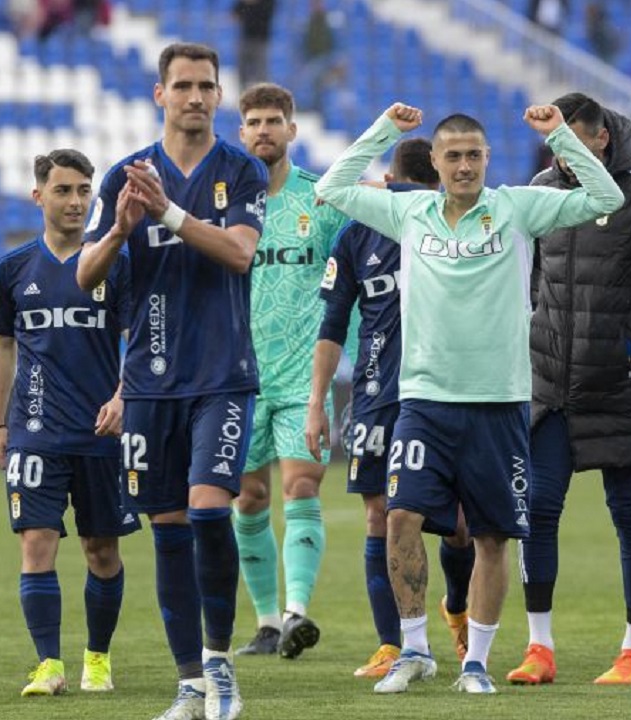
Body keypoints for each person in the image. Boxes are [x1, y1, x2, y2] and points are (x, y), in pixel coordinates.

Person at [316, 102, 624, 694]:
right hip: (424, 401)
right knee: (400, 518)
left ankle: (476, 663)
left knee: (491, 536)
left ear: (488, 159)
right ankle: (413, 650)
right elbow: (332, 186)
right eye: (452, 155)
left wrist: (559, 134)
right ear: (434, 162)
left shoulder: (517, 208)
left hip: (500, 401)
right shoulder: (409, 213)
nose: (463, 166)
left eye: (473, 156)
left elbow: (605, 197)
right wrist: (384, 130)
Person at [77, 42, 268, 720]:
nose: (195, 96)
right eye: (182, 85)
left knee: (212, 511)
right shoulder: (127, 177)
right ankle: (190, 685)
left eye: (206, 86)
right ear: (159, 94)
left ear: (219, 95)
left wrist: (169, 217)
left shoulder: (239, 169)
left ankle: (220, 668)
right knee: (168, 531)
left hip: (222, 377)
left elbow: (242, 253)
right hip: (151, 384)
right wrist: (122, 227)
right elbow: (85, 275)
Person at [505, 93, 631, 687]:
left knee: (629, 514)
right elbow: (536, 275)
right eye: (553, 140)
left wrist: (627, 340)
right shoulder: (542, 186)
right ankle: (539, 647)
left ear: (599, 139)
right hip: (550, 388)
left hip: (619, 384)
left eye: (571, 137)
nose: (560, 151)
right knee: (536, 514)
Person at [302, 137, 477, 678]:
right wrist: (318, 400)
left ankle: (456, 606)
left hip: (446, 389)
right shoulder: (358, 236)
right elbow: (333, 323)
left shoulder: (454, 228)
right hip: (377, 394)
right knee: (379, 516)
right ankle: (393, 643)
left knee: (458, 525)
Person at [0, 149, 140, 697]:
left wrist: (124, 396)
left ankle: (96, 658)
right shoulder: (13, 269)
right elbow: (1, 345)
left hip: (102, 432)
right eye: (63, 190)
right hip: (34, 430)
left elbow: (139, 341)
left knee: (102, 551)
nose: (75, 201)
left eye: (83, 190)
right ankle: (48, 664)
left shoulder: (115, 262)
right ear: (38, 195)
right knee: (37, 544)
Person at [230, 83, 348, 660]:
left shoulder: (318, 200)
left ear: (292, 130)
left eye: (274, 120)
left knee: (301, 485)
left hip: (304, 372)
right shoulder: (222, 205)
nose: (263, 131)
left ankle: (299, 609)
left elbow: (347, 278)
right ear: (240, 132)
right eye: (252, 121)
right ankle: (268, 621)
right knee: (248, 497)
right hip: (237, 375)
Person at [232, 0, 275, 90]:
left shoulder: (269, 2)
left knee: (261, 74)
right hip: (245, 39)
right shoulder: (243, 3)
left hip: (261, 41)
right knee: (242, 74)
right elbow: (234, 14)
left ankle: (262, 98)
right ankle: (243, 96)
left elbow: (267, 12)